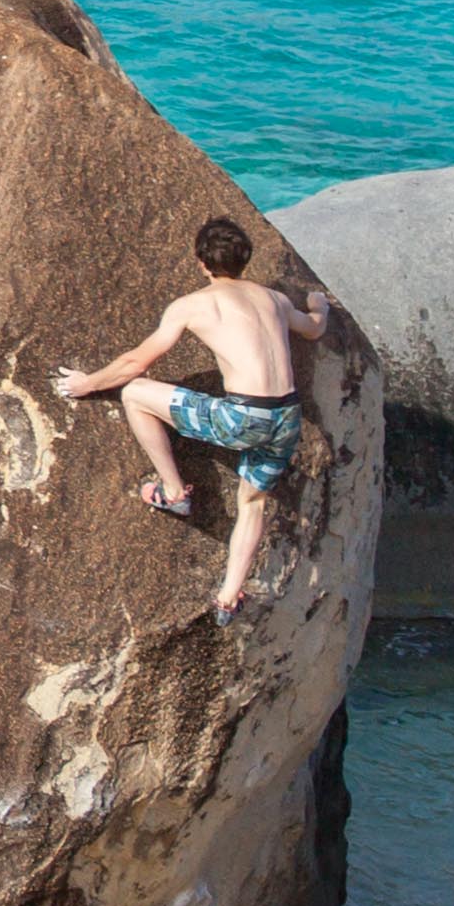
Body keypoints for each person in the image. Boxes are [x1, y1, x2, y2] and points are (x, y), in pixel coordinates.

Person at [54, 214, 332, 619]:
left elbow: (136, 361)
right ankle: (227, 596)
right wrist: (320, 305)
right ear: (245, 259)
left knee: (134, 393)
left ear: (202, 263)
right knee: (252, 501)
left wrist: (88, 384)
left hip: (241, 418)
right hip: (286, 418)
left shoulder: (194, 305)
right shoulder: (273, 299)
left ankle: (174, 492)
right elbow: (312, 329)